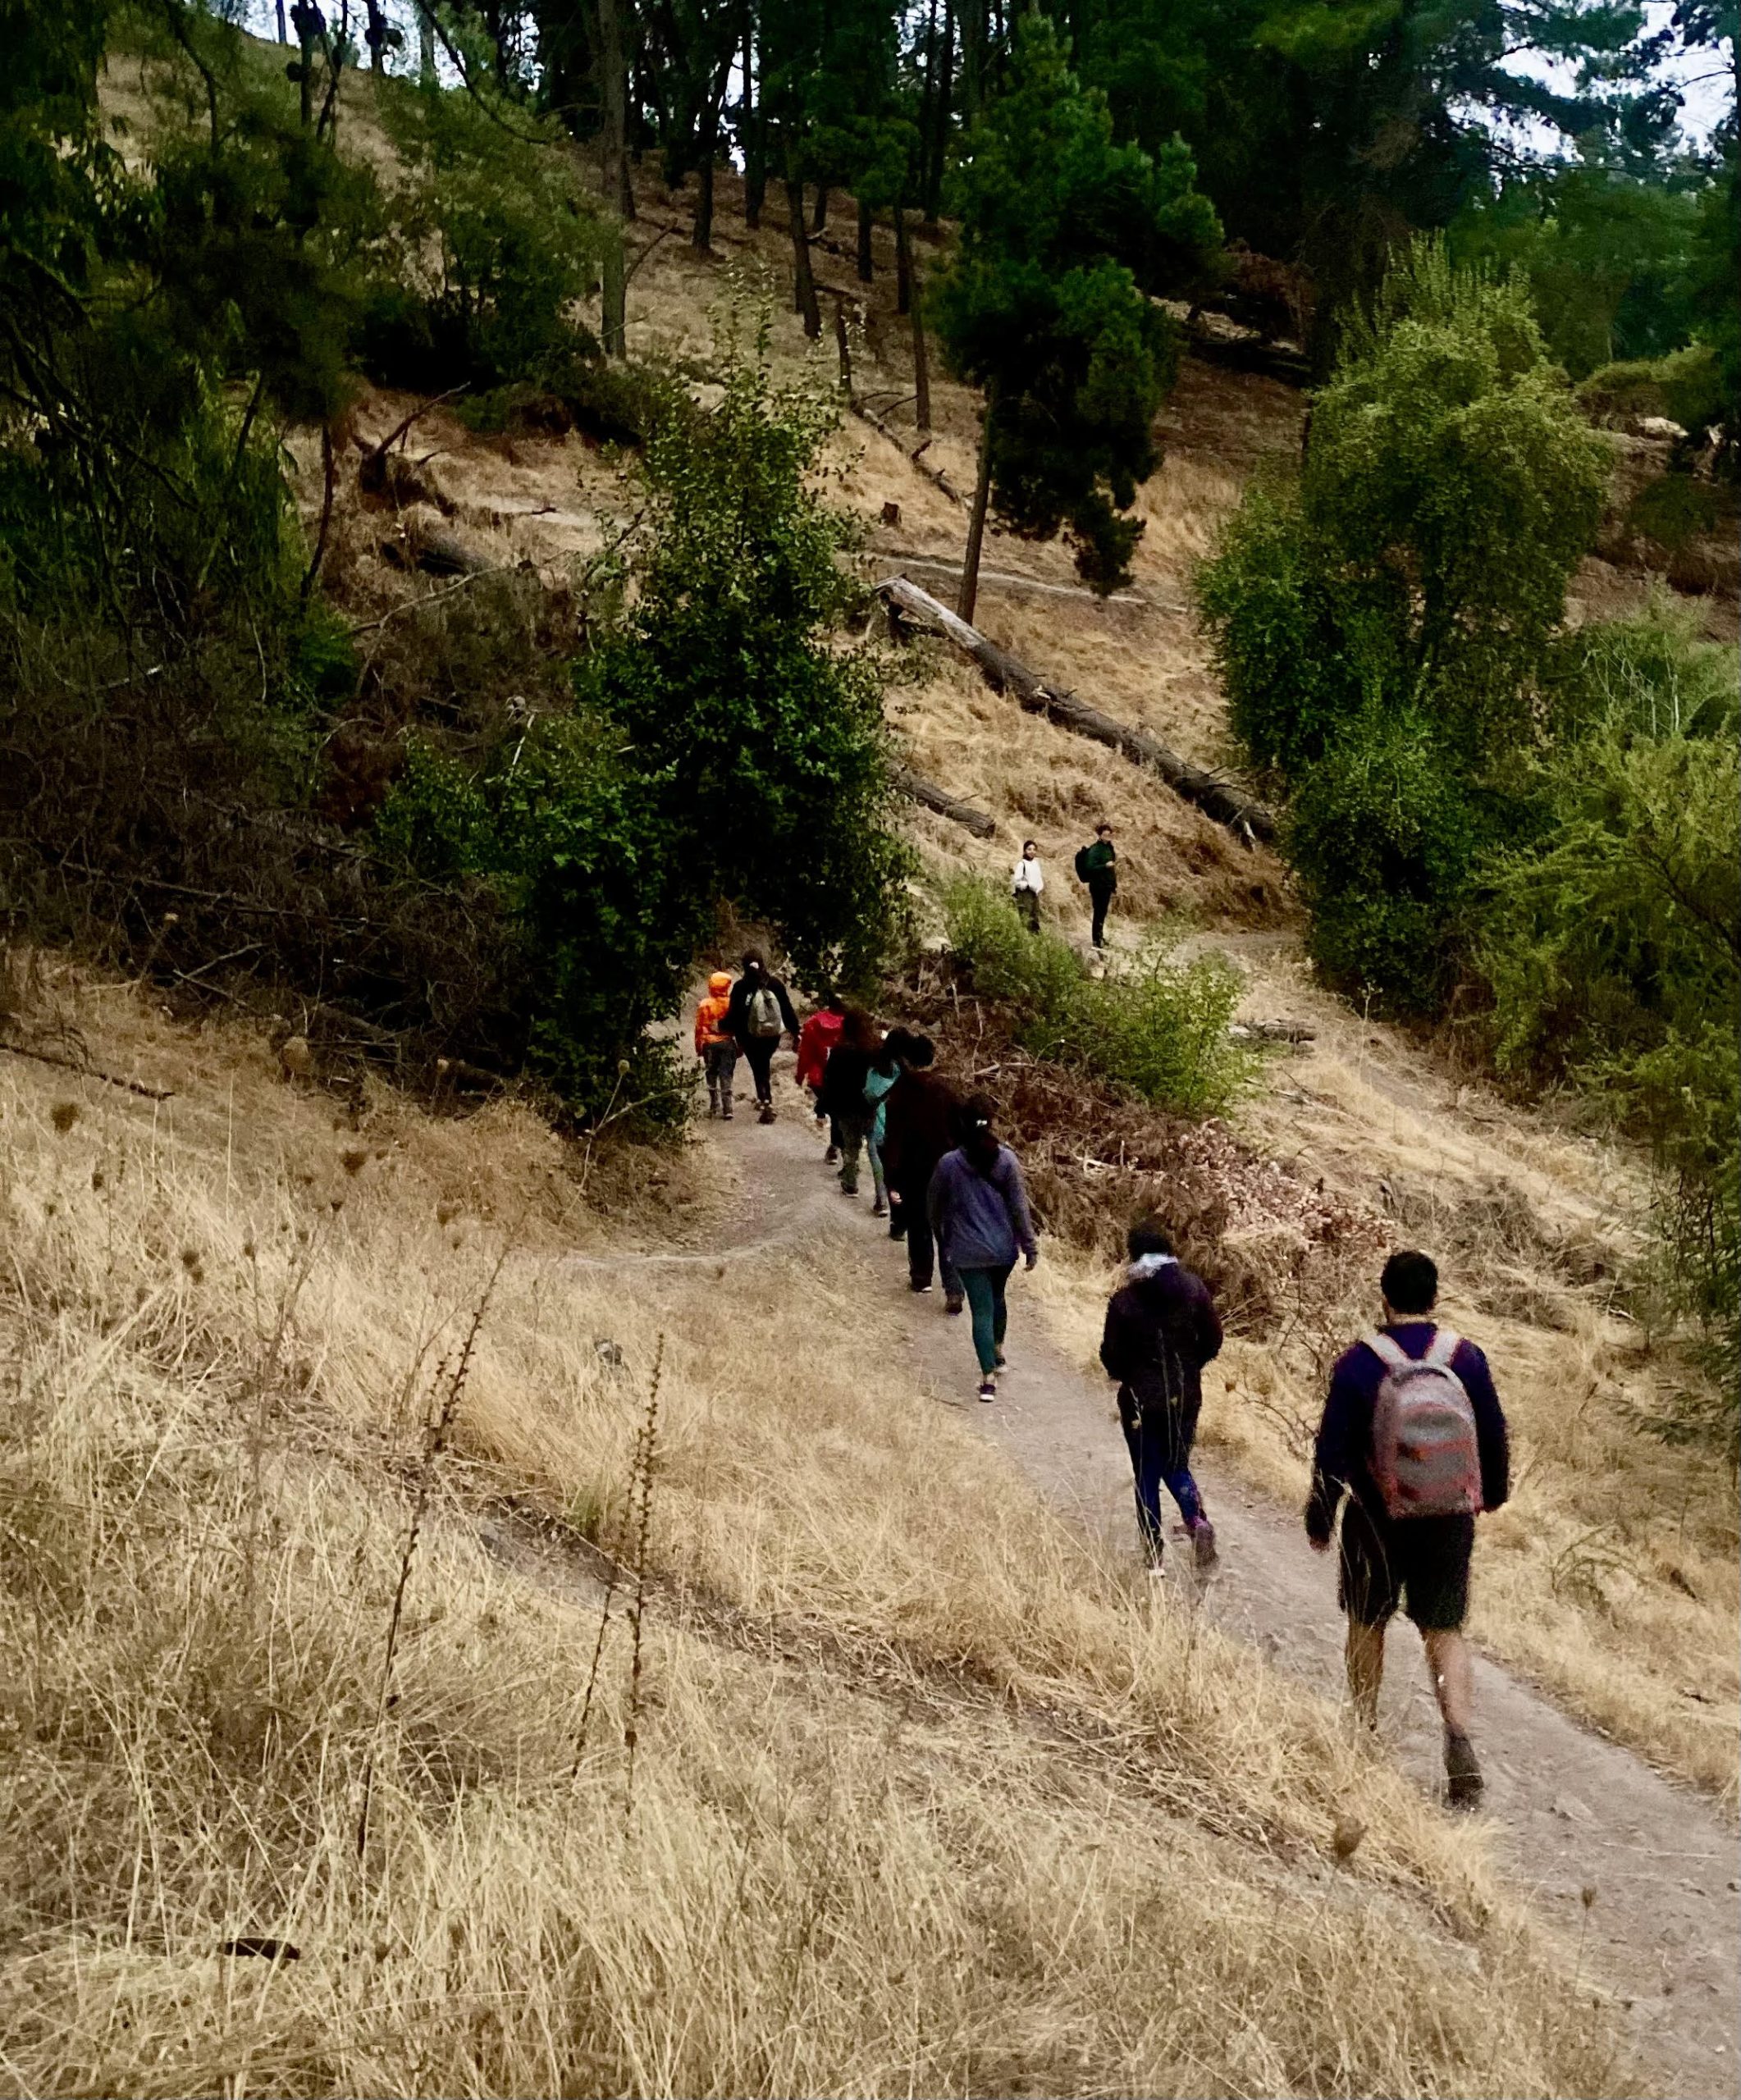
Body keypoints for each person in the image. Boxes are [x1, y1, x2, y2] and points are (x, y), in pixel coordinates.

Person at [1305, 1249, 1510, 1810]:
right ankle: (1460, 1741)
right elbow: (1492, 1431)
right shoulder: (1465, 1358)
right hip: (1448, 1518)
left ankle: (1364, 1736)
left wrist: (1321, 1515)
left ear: (1384, 1298)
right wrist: (1489, 1496)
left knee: (1367, 1622)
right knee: (1443, 1629)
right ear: (1435, 1298)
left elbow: (1332, 1451)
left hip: (1375, 1516)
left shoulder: (1359, 1364)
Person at [1099, 1218, 1224, 1578]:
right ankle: (1196, 1520)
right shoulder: (1194, 1288)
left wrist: (1129, 1375)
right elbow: (1214, 1339)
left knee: (1146, 1475)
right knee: (1176, 1464)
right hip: (1185, 1397)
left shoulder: (1124, 1301)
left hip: (1141, 1401)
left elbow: (1112, 1356)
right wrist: (1190, 1366)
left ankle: (1153, 1558)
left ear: (1134, 1255)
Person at [928, 1094, 1038, 1403]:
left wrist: (944, 1237)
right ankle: (999, 1350)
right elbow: (1019, 1208)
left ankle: (988, 1378)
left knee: (981, 1309)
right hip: (1003, 1249)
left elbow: (934, 1207)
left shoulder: (949, 1164)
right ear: (992, 1123)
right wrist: (1029, 1246)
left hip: (968, 1250)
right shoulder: (1007, 1160)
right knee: (998, 1297)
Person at [880, 1035, 962, 1307]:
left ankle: (921, 1277)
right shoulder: (946, 1091)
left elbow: (892, 1137)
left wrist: (891, 1176)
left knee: (919, 1224)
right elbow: (960, 1131)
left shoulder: (901, 1092)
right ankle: (953, 1288)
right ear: (932, 1058)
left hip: (912, 1170)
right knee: (947, 1227)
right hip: (947, 1167)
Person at [725, 952, 799, 1124]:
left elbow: (734, 1015)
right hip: (772, 1035)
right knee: (763, 1063)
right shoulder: (775, 984)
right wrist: (796, 1031)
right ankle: (766, 1099)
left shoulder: (740, 987)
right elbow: (787, 1010)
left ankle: (765, 1099)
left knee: (758, 1066)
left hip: (748, 1036)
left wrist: (724, 1029)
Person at [817, 1006, 880, 1198]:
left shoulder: (839, 1050)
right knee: (874, 1150)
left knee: (851, 1148)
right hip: (871, 1108)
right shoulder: (874, 1050)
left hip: (846, 1108)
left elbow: (829, 1080)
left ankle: (851, 1183)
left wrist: (822, 1107)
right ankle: (881, 1197)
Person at [862, 1027, 909, 1219]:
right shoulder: (903, 1068)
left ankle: (882, 1198)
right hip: (897, 1120)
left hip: (875, 1116)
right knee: (895, 1161)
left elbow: (867, 1090)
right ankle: (898, 1202)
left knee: (876, 1158)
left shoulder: (875, 1059)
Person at [794, 992, 847, 1159]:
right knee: (838, 1111)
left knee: (831, 1106)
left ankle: (821, 1112)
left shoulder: (814, 1022)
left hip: (819, 1074)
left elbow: (806, 1051)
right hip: (841, 1075)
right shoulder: (851, 1025)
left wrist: (800, 1074)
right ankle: (835, 1146)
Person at [693, 970, 738, 1119]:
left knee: (711, 1072)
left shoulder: (705, 1004)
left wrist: (698, 1046)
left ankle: (714, 1105)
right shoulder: (732, 1003)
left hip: (709, 1043)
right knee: (726, 1074)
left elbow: (699, 1027)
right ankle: (728, 1108)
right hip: (727, 1042)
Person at [1074, 823, 1117, 949]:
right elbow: (1089, 868)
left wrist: (1114, 885)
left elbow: (1111, 869)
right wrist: (1105, 866)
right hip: (1098, 886)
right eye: (1105, 835)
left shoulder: (1109, 848)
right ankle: (1096, 940)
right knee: (1098, 912)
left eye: (1109, 835)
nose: (1108, 837)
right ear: (1100, 835)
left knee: (1102, 913)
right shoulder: (1095, 849)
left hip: (1107, 885)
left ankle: (1100, 936)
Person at [1011, 840, 1045, 934]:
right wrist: (1027, 885)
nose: (1032, 851)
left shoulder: (1035, 864)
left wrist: (1039, 888)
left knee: (1035, 916)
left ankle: (1036, 939)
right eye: (1029, 849)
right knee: (1026, 916)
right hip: (1025, 893)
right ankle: (1026, 938)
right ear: (1025, 851)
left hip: (1035, 893)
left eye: (1034, 849)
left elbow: (1039, 878)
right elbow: (1017, 881)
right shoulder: (1022, 864)